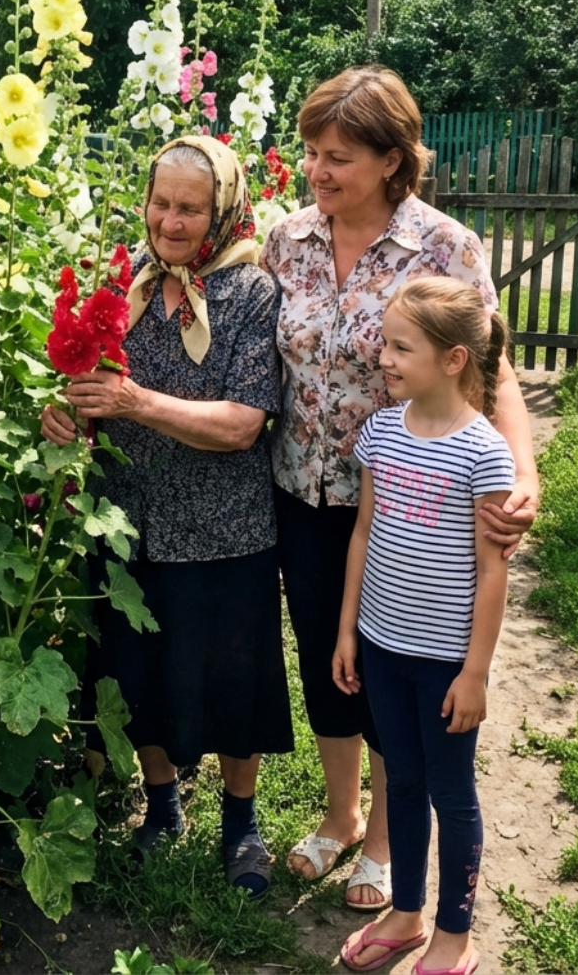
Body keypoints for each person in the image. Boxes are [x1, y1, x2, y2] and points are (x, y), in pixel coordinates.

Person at [262, 66, 538, 907]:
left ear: (391, 160)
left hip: (413, 504)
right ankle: (339, 814)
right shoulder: (287, 239)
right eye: (311, 152)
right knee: (327, 658)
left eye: (337, 157)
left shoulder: (444, 247)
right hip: (303, 490)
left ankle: (385, 838)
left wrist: (521, 471)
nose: (317, 171)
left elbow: (492, 368)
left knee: (394, 666)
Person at [41, 134, 292, 898]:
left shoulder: (251, 293)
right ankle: (161, 804)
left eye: (190, 208)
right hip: (130, 518)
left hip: (225, 528)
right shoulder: (126, 282)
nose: (171, 222)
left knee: (234, 678)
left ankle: (241, 823)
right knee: (139, 673)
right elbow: (84, 378)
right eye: (160, 203)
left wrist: (133, 402)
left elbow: (243, 423)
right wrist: (65, 414)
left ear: (223, 212)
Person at [333, 277, 513, 975]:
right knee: (401, 782)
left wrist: (475, 673)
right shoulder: (380, 433)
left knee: (451, 794)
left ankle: (454, 934)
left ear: (453, 359)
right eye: (385, 342)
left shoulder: (484, 452)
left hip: (445, 666)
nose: (383, 357)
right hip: (382, 649)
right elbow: (362, 533)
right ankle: (405, 914)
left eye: (400, 347)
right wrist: (348, 631)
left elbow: (492, 572)